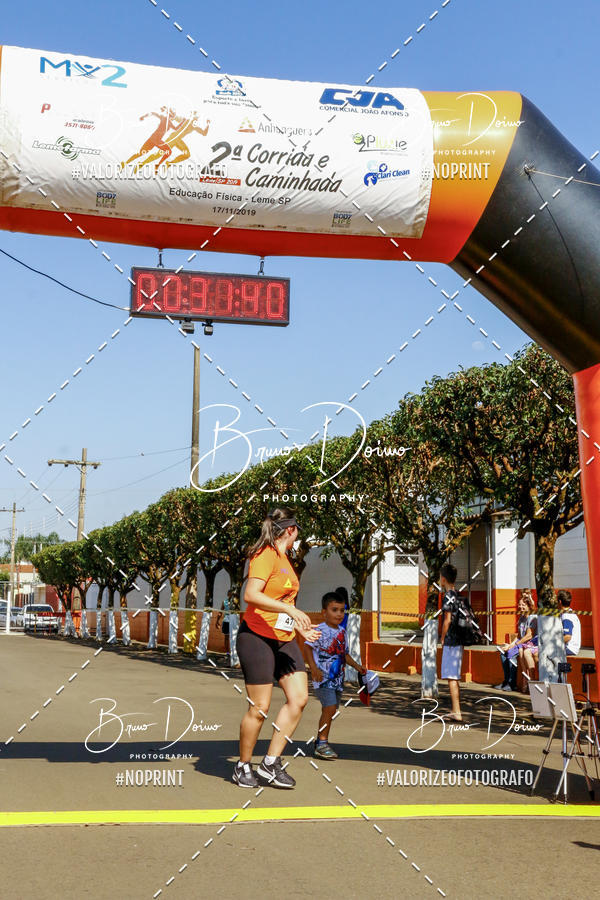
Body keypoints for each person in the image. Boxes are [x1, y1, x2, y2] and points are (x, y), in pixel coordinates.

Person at [233, 508, 320, 789]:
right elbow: (251, 595)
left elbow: (285, 603)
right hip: (256, 637)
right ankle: (242, 766)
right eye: (298, 532)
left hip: (283, 638)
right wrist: (288, 609)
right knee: (260, 707)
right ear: (290, 530)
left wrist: (299, 627)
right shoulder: (264, 555)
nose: (298, 537)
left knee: (299, 698)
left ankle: (270, 763)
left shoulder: (286, 559)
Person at [302, 592, 366, 759]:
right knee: (329, 708)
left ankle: (321, 741)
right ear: (324, 612)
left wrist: (357, 667)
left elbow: (344, 654)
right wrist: (313, 668)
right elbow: (307, 647)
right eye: (334, 610)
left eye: (342, 610)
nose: (339, 614)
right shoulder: (320, 630)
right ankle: (322, 744)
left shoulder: (342, 631)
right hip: (323, 679)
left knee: (331, 710)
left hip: (337, 679)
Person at [494, 589, 538, 691]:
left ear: (528, 606)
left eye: (523, 605)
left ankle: (512, 683)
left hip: (528, 644)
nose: (521, 607)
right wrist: (510, 645)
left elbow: (528, 636)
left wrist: (513, 645)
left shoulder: (532, 618)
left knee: (510, 653)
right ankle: (506, 681)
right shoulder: (521, 618)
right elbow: (519, 636)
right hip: (520, 643)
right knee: (503, 652)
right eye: (520, 605)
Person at [439, 563, 464, 722]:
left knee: (451, 677)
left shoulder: (448, 596)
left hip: (451, 640)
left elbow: (447, 620)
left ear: (443, 579)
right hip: (459, 639)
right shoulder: (458, 595)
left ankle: (456, 711)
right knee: (454, 676)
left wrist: (442, 637)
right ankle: (456, 709)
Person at [558, 589, 581, 657]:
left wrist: (554, 643)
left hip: (569, 648)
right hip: (573, 648)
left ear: (559, 602)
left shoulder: (566, 616)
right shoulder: (570, 612)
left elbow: (567, 637)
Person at [215, 596, 231, 666]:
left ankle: (233, 653)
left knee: (233, 638)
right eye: (230, 594)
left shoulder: (236, 602)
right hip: (226, 621)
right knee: (226, 638)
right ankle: (228, 653)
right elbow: (220, 612)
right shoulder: (225, 602)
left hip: (234, 621)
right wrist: (217, 621)